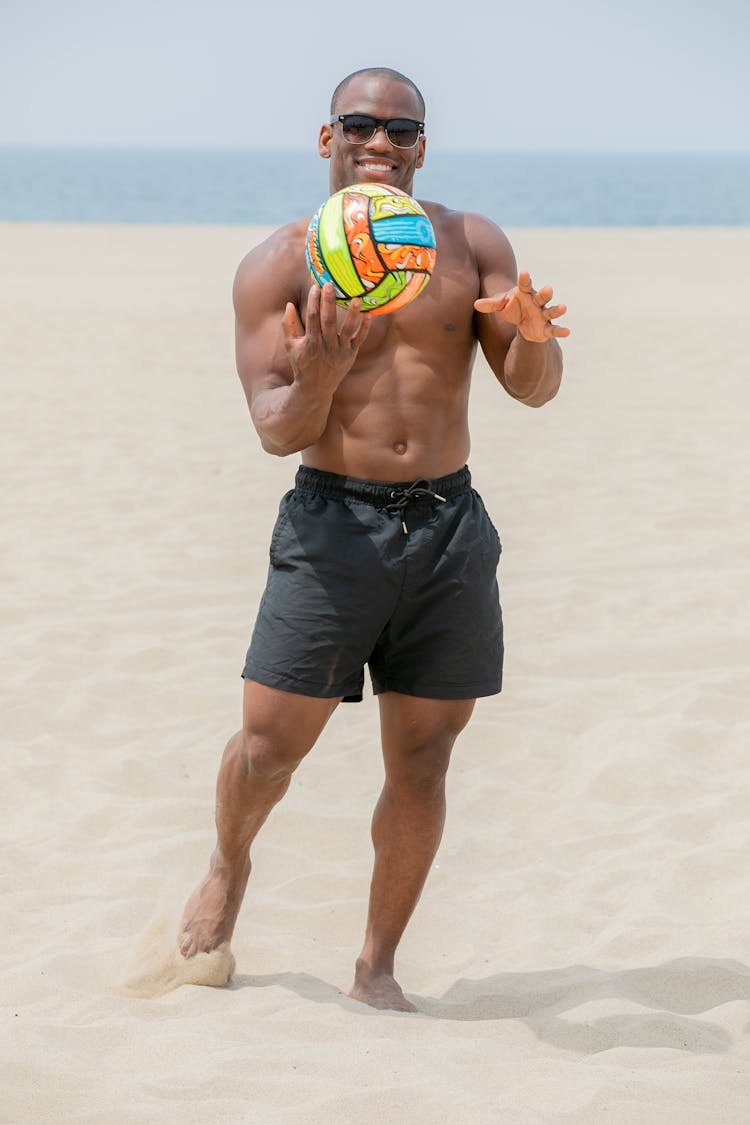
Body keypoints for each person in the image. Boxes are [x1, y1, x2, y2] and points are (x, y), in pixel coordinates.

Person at [178, 66, 569, 1012]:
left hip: (448, 528)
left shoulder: (471, 244)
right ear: (328, 139)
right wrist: (322, 372)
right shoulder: (278, 266)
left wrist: (533, 339)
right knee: (268, 750)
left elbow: (533, 386)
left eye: (403, 130)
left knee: (425, 758)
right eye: (362, 125)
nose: (382, 143)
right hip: (332, 523)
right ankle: (229, 866)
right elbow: (277, 427)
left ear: (423, 146)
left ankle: (376, 967)